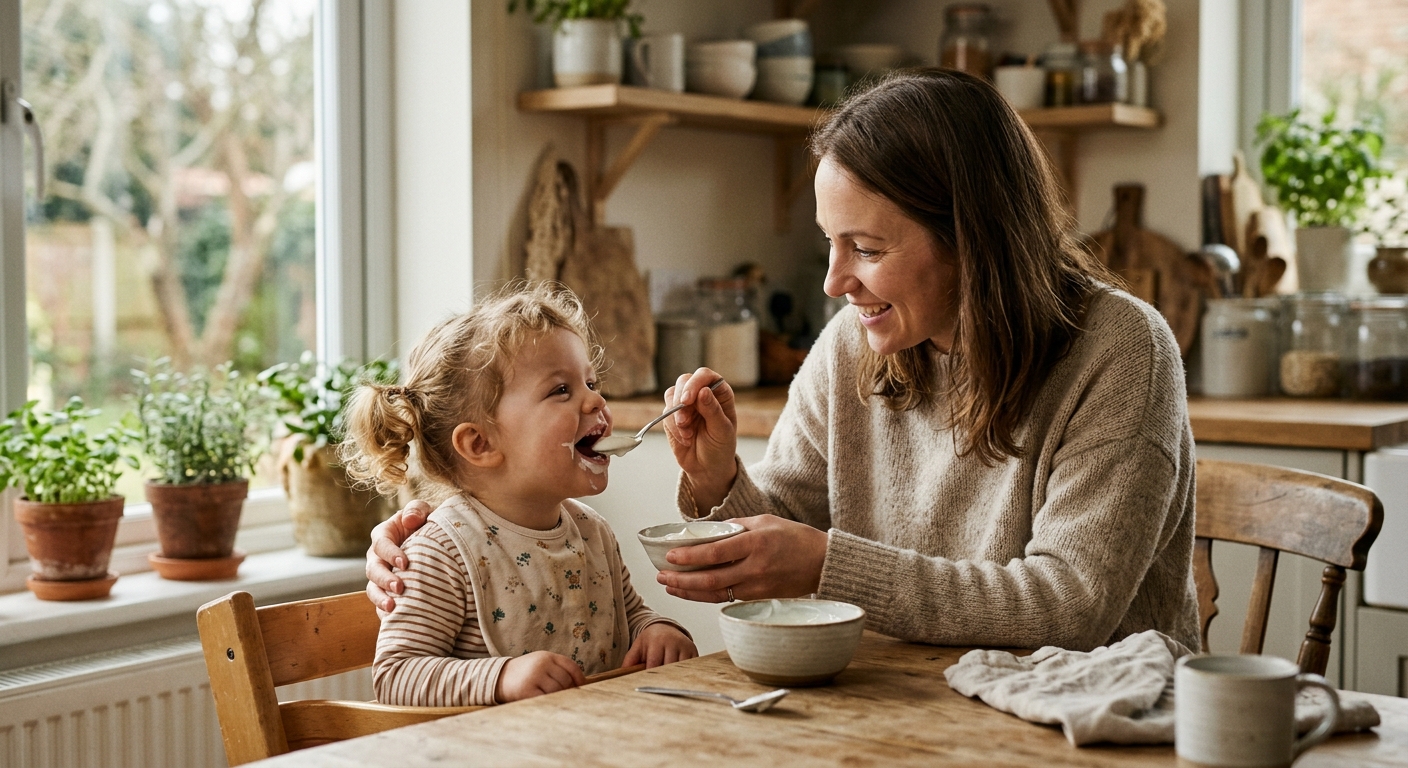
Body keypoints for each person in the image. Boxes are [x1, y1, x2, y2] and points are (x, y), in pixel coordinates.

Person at [367, 69, 1199, 653]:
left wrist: (828, 565)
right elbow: (785, 524)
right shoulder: (855, 344)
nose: (835, 282)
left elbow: (1070, 606)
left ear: (972, 239)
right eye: (830, 243)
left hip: (1086, 725)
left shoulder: (1121, 350)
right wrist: (718, 481)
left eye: (866, 248)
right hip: (898, 709)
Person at [343, 283, 695, 707]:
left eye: (591, 381)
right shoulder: (443, 554)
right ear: (480, 444)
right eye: (561, 390)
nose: (596, 399)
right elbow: (396, 676)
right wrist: (502, 677)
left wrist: (656, 631)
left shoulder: (591, 531)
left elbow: (627, 614)